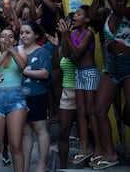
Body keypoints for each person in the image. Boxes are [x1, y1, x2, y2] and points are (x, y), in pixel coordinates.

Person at [88, 0, 130, 169]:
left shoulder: (127, 12)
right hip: (112, 66)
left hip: (129, 65)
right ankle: (111, 153)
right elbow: (91, 15)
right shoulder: (107, 13)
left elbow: (116, 6)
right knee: (99, 110)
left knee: (129, 113)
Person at [58, 5, 103, 166]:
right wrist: (65, 35)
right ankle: (84, 148)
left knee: (91, 112)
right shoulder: (73, 33)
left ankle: (99, 149)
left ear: (87, 19)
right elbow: (65, 54)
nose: (74, 17)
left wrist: (66, 36)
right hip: (78, 73)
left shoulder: (89, 34)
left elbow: (77, 53)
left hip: (89, 73)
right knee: (81, 112)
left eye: (78, 14)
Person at [0, 27, 27, 172]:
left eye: (10, 37)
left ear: (15, 40)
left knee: (15, 145)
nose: (6, 39)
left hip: (16, 100)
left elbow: (22, 66)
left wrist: (12, 50)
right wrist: (5, 52)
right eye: (3, 36)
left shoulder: (20, 52)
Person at [20, 21, 52, 172]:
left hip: (38, 95)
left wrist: (24, 70)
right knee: (25, 132)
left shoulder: (42, 52)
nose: (23, 35)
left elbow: (45, 73)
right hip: (19, 96)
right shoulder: (16, 50)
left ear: (36, 35)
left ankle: (41, 164)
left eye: (27, 32)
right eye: (21, 33)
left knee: (40, 128)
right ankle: (24, 166)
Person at [46, 17, 77, 169]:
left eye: (67, 23)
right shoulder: (61, 43)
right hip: (68, 91)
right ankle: (63, 167)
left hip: (83, 89)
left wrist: (66, 37)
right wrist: (56, 46)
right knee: (63, 132)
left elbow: (74, 56)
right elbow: (55, 66)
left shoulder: (80, 39)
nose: (64, 26)